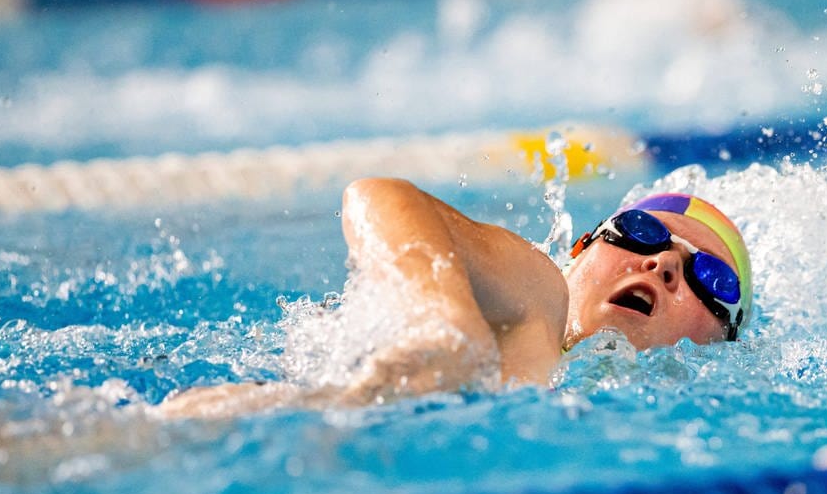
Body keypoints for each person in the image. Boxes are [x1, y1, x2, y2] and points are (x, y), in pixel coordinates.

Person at [156, 178, 752, 418]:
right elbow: (375, 195)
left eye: (711, 279)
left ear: (721, 341)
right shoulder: (532, 306)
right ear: (578, 251)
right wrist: (445, 324)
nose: (665, 261)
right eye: (641, 232)